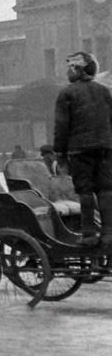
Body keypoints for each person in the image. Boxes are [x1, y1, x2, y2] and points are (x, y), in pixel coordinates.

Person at [53, 51, 112, 248]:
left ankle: (89, 234)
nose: (68, 72)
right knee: (105, 191)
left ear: (77, 70)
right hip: (105, 148)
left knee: (85, 191)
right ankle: (109, 234)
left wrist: (59, 153)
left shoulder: (67, 93)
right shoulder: (104, 91)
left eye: (70, 67)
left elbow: (62, 127)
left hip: (80, 150)